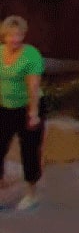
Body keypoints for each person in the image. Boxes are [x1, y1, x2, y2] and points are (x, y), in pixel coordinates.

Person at [0, 17, 43, 210]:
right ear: (4, 36)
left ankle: (31, 193)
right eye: (11, 35)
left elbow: (33, 86)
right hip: (4, 107)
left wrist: (33, 114)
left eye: (19, 35)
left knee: (29, 151)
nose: (15, 39)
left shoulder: (31, 55)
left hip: (28, 107)